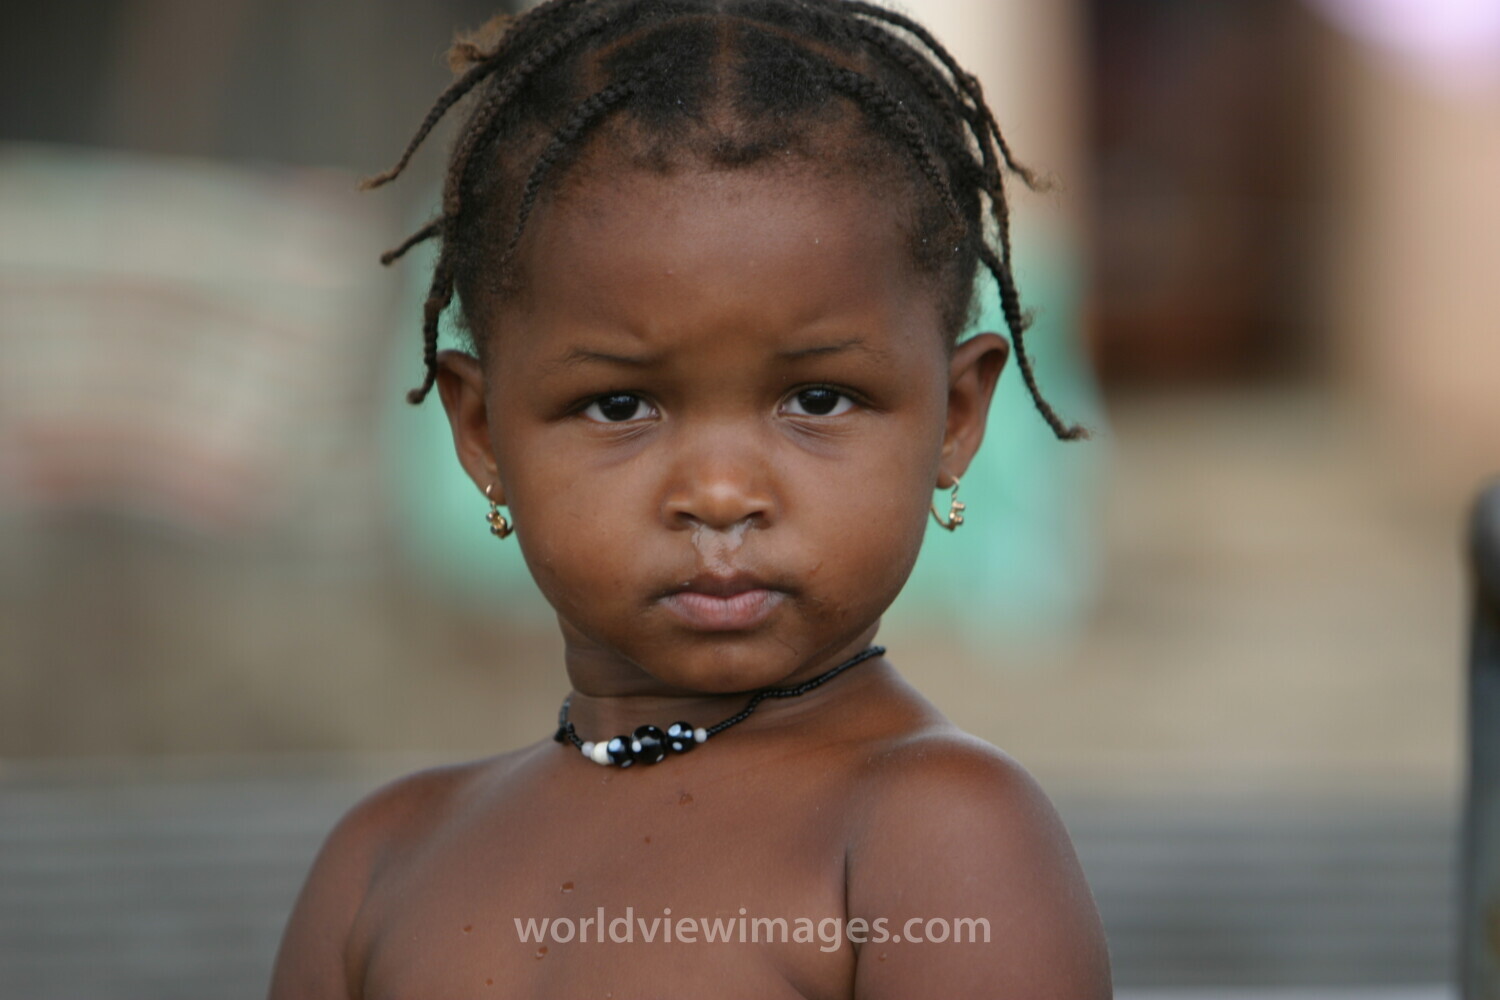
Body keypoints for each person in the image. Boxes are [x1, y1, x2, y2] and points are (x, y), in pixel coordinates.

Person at [268, 1, 1111, 996]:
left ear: (957, 417)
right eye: (619, 404)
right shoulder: (381, 865)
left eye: (817, 398)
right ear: (483, 432)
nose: (719, 493)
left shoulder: (928, 838)